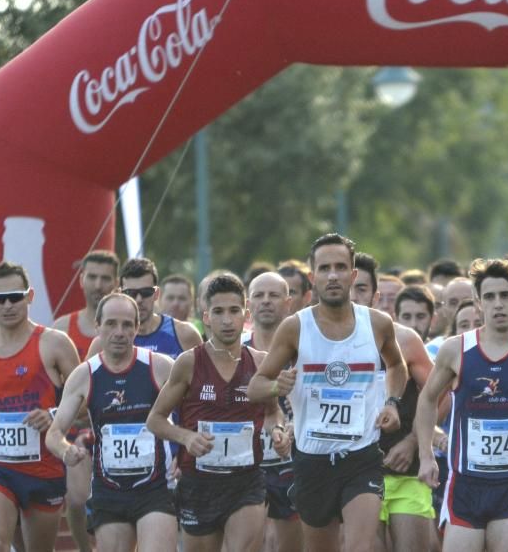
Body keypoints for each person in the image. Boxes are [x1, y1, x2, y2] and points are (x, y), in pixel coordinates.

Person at [247, 233, 407, 552]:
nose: (332, 275)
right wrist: (278, 385)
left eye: (340, 267)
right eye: (324, 268)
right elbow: (255, 387)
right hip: (312, 459)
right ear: (312, 277)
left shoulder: (377, 324)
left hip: (362, 455)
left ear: (353, 274)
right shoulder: (295, 327)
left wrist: (392, 403)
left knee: (361, 546)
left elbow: (397, 367)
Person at [414, 258, 508, 552]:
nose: (498, 304)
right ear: (478, 301)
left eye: (506, 295)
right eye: (489, 296)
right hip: (466, 484)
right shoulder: (455, 349)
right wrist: (425, 456)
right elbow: (427, 400)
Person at [147, 272, 290, 551]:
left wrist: (278, 431)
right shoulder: (189, 363)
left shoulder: (261, 363)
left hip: (246, 481)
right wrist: (186, 438)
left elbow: (273, 413)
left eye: (234, 311)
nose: (227, 320)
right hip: (199, 482)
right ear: (206, 317)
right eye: (219, 312)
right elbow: (155, 419)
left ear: (245, 314)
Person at [46, 292, 177, 552]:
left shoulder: (160, 367)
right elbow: (54, 432)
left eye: (127, 324)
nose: (119, 332)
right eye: (111, 324)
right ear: (98, 327)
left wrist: (182, 450)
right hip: (109, 489)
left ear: (137, 328)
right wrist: (66, 450)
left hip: (155, 487)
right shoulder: (84, 375)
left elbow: (192, 415)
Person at [0, 261, 80, 552]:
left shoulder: (55, 344)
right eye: (0, 299)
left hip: (43, 468)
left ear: (30, 297)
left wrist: (53, 416)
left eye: (16, 297)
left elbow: (85, 403)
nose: (8, 305)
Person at [351, 254, 437, 552]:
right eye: (349, 285)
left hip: (404, 470)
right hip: (353, 474)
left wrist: (414, 441)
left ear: (375, 295)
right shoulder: (320, 342)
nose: (353, 294)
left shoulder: (405, 339)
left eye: (361, 287)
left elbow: (441, 396)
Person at [53, 249, 121, 551]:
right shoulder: (59, 330)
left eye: (105, 278)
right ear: (80, 280)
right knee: (78, 498)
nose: (98, 284)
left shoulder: (124, 330)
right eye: (92, 277)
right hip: (72, 430)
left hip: (115, 427)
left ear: (116, 283)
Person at [243, 272, 302, 552]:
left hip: (292, 464)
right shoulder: (232, 350)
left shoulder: (306, 350)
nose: (266, 301)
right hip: (243, 466)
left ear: (288, 303)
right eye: (259, 295)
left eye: (274, 295)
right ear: (248, 304)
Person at [112, 258, 203, 359]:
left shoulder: (185, 334)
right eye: (131, 293)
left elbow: (204, 374)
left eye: (146, 292)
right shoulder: (105, 339)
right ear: (120, 294)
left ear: (156, 294)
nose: (139, 299)